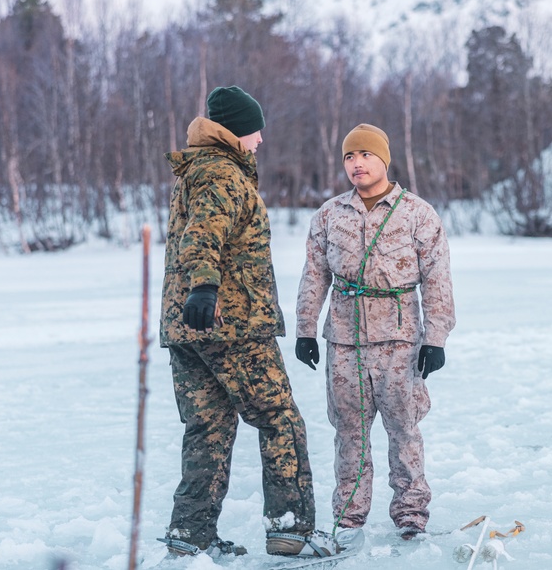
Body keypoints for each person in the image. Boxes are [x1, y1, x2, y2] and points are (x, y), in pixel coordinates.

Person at [158, 86, 340, 559]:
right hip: (232, 324)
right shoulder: (223, 174)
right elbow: (203, 236)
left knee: (208, 427)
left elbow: (196, 233)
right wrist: (205, 286)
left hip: (186, 328)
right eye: (256, 131)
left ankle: (190, 534)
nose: (260, 141)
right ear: (238, 130)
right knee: (280, 420)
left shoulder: (194, 171)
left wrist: (197, 295)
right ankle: (291, 529)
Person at [294, 123, 456, 540]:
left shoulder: (417, 213)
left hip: (400, 343)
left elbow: (437, 279)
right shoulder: (330, 215)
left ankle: (410, 514)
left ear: (383, 159)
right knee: (348, 433)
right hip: (345, 343)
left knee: (404, 430)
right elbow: (314, 276)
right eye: (349, 156)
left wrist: (436, 339)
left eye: (365, 155)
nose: (357, 164)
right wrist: (306, 329)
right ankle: (349, 517)